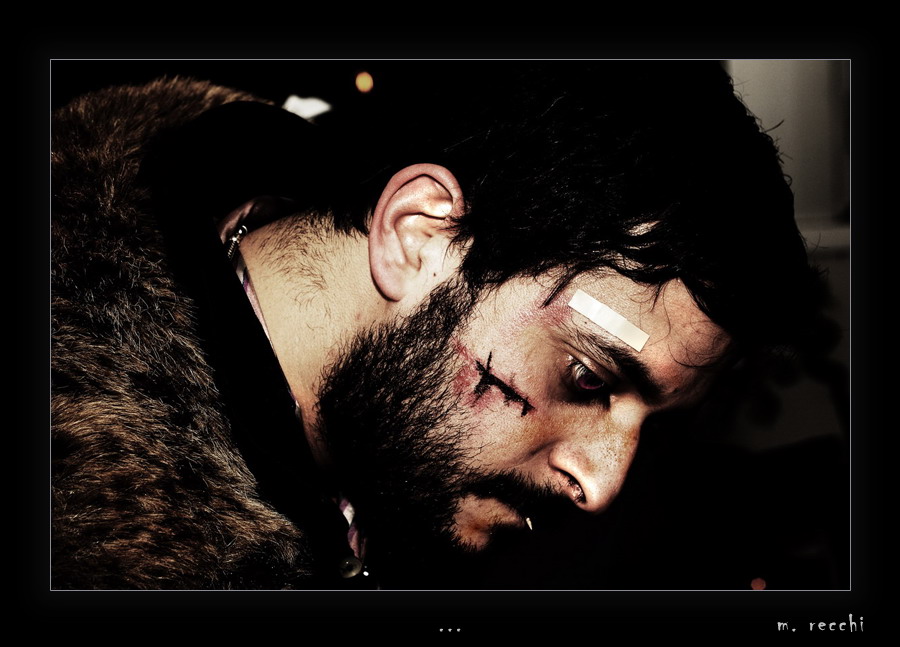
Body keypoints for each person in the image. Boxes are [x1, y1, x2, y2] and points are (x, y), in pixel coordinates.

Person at [51, 62, 821, 589]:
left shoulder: (383, 489)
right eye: (587, 376)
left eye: (654, 424)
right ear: (418, 234)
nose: (601, 484)